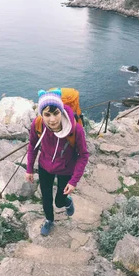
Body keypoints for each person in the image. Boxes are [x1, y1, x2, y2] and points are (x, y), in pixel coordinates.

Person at [25, 89, 89, 236]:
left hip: (66, 169)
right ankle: (49, 220)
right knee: (46, 197)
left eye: (56, 113)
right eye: (47, 114)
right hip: (44, 167)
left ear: (61, 111)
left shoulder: (75, 129)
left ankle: (66, 202)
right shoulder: (38, 124)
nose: (52, 119)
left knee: (59, 201)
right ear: (41, 114)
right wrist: (29, 169)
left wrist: (73, 181)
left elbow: (83, 155)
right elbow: (32, 146)